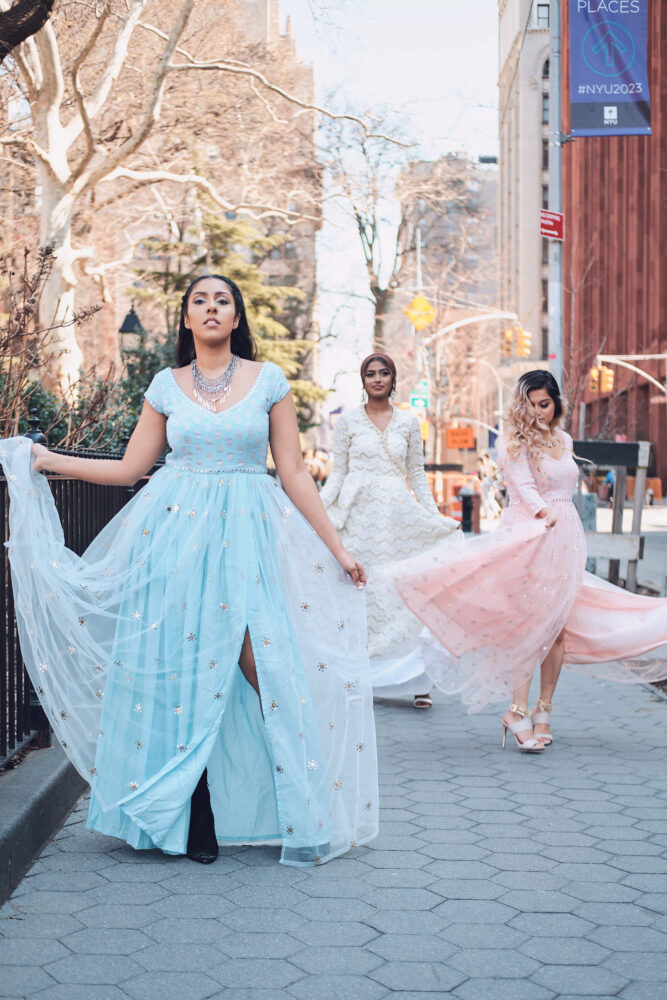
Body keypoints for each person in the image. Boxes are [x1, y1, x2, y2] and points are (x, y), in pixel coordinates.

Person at [1, 275, 378, 866]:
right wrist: (48, 460)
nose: (210, 307)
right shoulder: (164, 386)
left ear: (235, 318)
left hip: (248, 540)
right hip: (174, 538)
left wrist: (337, 547)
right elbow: (130, 469)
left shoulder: (268, 380)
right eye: (198, 300)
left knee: (265, 666)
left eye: (221, 300)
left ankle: (307, 811)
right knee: (175, 672)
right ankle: (190, 814)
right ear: (185, 319)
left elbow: (296, 472)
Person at [382, 370, 667, 749]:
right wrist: (542, 513)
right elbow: (524, 486)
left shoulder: (563, 439)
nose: (538, 412)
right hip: (529, 535)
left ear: (556, 403)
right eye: (531, 404)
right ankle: (517, 711)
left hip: (566, 537)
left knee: (558, 630)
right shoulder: (513, 441)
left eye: (544, 404)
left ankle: (543, 710)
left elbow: (569, 486)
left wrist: (567, 512)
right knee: (531, 627)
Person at [321, 353, 460, 709]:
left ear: (393, 379)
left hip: (399, 517)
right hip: (358, 517)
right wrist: (317, 511)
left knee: (404, 595)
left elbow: (416, 475)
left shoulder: (408, 422)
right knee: (360, 595)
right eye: (371, 374)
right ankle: (358, 678)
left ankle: (417, 680)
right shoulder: (349, 422)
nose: (377, 379)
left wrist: (434, 519)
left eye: (384, 373)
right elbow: (338, 473)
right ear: (363, 380)